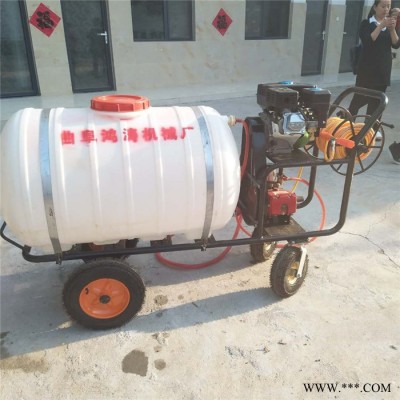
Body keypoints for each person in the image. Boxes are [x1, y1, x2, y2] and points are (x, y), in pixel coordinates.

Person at [347, 1, 400, 163]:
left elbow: (396, 44)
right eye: (383, 6)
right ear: (375, 7)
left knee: (376, 107)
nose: (386, 9)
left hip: (382, 71)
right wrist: (380, 26)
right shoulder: (367, 23)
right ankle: (346, 130)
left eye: (388, 6)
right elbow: (368, 42)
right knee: (357, 102)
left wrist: (391, 29)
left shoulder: (390, 24)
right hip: (367, 71)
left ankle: (366, 139)